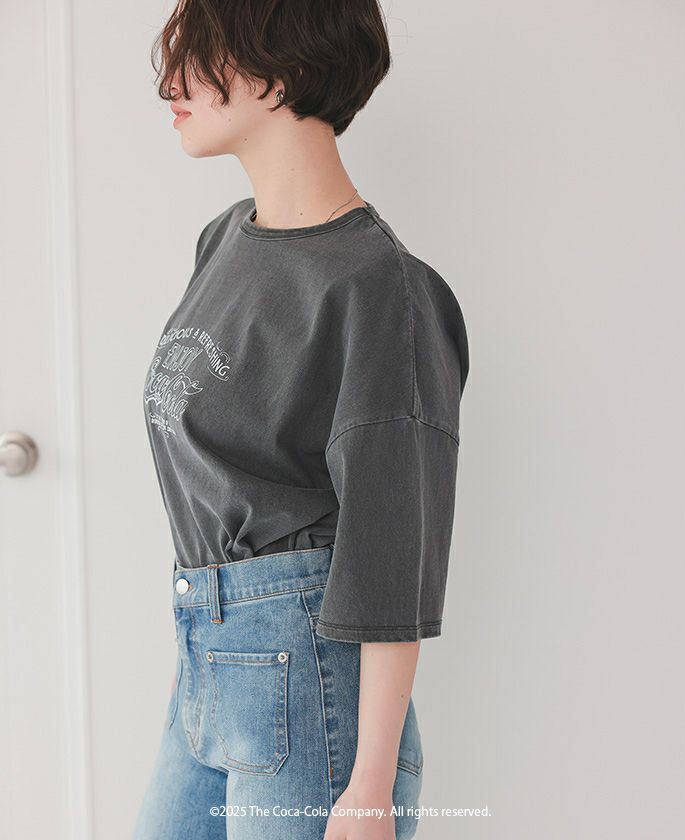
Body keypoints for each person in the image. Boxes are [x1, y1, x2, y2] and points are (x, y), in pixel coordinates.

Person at [132, 2, 470, 839]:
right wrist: (199, 666)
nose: (169, 84)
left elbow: (393, 551)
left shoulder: (380, 289)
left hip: (312, 693)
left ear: (278, 69)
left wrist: (371, 784)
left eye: (198, 55)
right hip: (209, 673)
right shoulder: (224, 242)